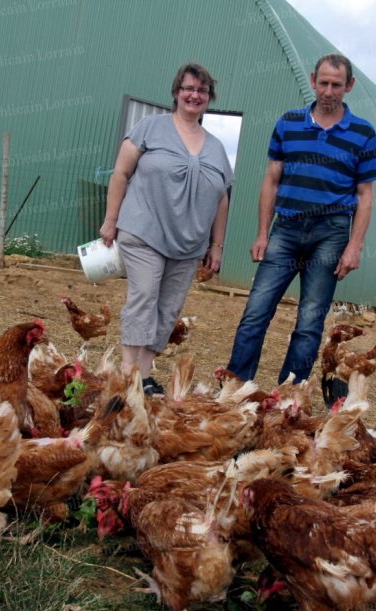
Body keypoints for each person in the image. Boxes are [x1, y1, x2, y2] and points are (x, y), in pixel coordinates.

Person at [226, 53, 376, 384]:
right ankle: (235, 388)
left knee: (309, 321)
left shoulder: (363, 133)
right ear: (313, 80)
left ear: (348, 86)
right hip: (287, 227)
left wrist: (354, 246)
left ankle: (289, 398)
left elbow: (365, 195)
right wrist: (263, 233)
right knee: (256, 312)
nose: (328, 91)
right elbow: (271, 180)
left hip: (331, 232)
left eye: (336, 85)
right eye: (323, 83)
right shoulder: (288, 123)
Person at [100, 63, 233, 396]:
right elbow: (120, 173)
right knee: (144, 296)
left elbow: (221, 198)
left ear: (208, 98)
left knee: (168, 309)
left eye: (202, 91)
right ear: (176, 91)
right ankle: (129, 375)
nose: (194, 95)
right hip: (143, 230)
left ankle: (142, 377)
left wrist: (217, 246)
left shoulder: (216, 147)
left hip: (189, 245)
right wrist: (110, 219)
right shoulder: (150, 127)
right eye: (188, 88)